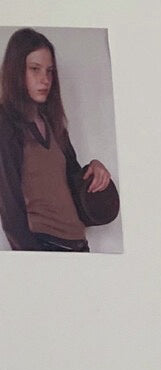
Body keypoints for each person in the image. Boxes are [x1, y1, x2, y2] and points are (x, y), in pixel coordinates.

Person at [0, 28, 112, 252]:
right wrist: (34, 260)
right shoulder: (5, 122)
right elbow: (9, 208)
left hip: (79, 244)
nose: (45, 80)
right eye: (35, 69)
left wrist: (94, 168)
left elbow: (71, 181)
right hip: (44, 246)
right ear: (16, 70)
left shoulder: (53, 123)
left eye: (50, 71)